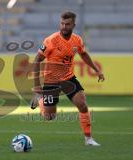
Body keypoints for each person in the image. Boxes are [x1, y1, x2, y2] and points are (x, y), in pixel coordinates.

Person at [31, 11, 105, 146]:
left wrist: (96, 70)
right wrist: (37, 87)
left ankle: (88, 139)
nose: (64, 26)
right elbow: (36, 61)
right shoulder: (51, 41)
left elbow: (84, 54)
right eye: (62, 23)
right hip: (51, 80)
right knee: (50, 117)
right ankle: (40, 100)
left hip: (68, 78)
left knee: (82, 104)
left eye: (67, 24)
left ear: (73, 25)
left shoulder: (77, 40)